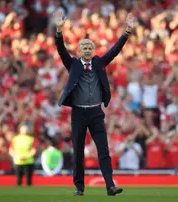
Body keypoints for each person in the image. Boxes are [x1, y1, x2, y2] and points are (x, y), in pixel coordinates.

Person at [53, 10, 136, 196]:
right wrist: (59, 30)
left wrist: (127, 31)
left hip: (96, 113)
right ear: (79, 51)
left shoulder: (99, 62)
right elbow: (60, 49)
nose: (88, 51)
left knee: (104, 151)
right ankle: (79, 187)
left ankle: (110, 186)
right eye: (84, 48)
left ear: (94, 50)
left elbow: (115, 50)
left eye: (90, 48)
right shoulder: (73, 64)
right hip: (78, 114)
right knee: (78, 153)